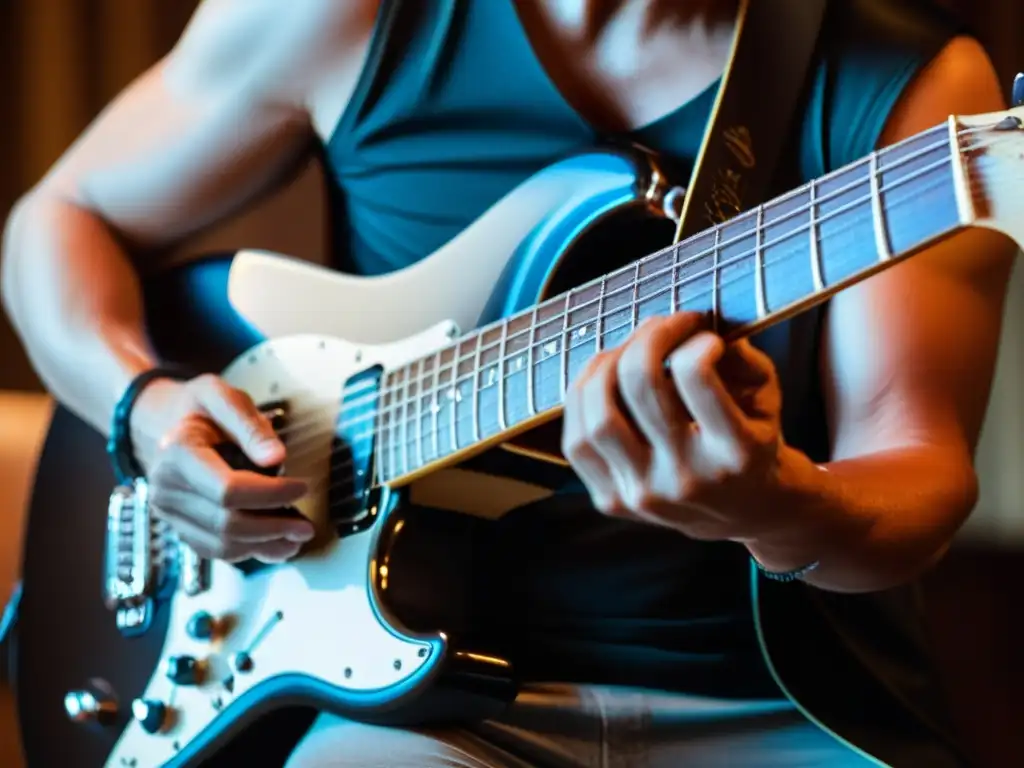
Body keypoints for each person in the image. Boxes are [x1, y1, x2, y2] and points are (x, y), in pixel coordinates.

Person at [1, 0, 1017, 765]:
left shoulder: (909, 80)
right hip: (419, 708)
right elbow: (58, 221)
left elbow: (914, 472)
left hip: (773, 703)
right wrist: (142, 409)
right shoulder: (346, 14)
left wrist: (776, 506)